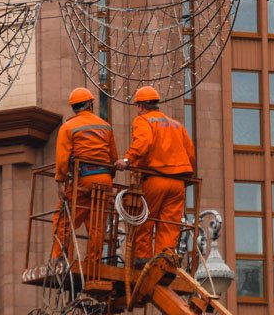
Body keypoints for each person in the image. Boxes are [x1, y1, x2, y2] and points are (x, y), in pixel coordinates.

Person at [114, 85, 195, 264]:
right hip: (178, 184)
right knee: (169, 227)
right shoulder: (176, 125)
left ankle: (142, 262)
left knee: (144, 221)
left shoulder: (143, 120)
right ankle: (163, 263)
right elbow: (190, 153)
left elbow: (144, 142)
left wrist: (127, 160)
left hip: (155, 179)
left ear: (140, 106)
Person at [52, 87, 117, 262]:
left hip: (83, 179)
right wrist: (108, 176)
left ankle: (61, 257)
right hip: (104, 179)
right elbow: (113, 158)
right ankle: (93, 262)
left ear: (74, 107)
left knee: (64, 218)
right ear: (90, 104)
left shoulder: (68, 127)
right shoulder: (105, 126)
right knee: (97, 223)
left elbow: (62, 158)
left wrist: (60, 181)